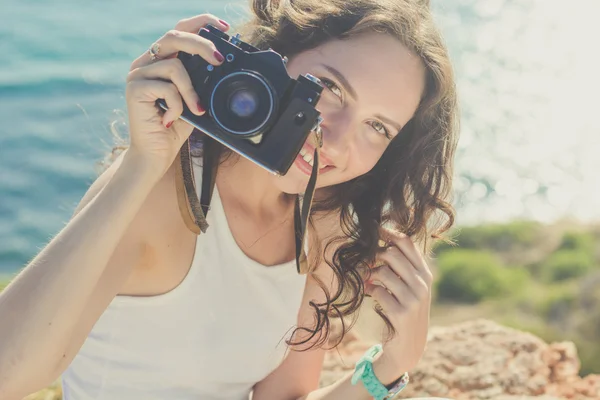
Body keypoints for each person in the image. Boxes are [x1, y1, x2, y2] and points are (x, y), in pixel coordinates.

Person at [0, 0, 459, 399]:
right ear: (277, 57)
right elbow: (8, 374)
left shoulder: (321, 222)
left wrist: (390, 366)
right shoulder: (159, 192)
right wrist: (140, 167)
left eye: (378, 127)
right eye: (330, 89)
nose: (336, 142)